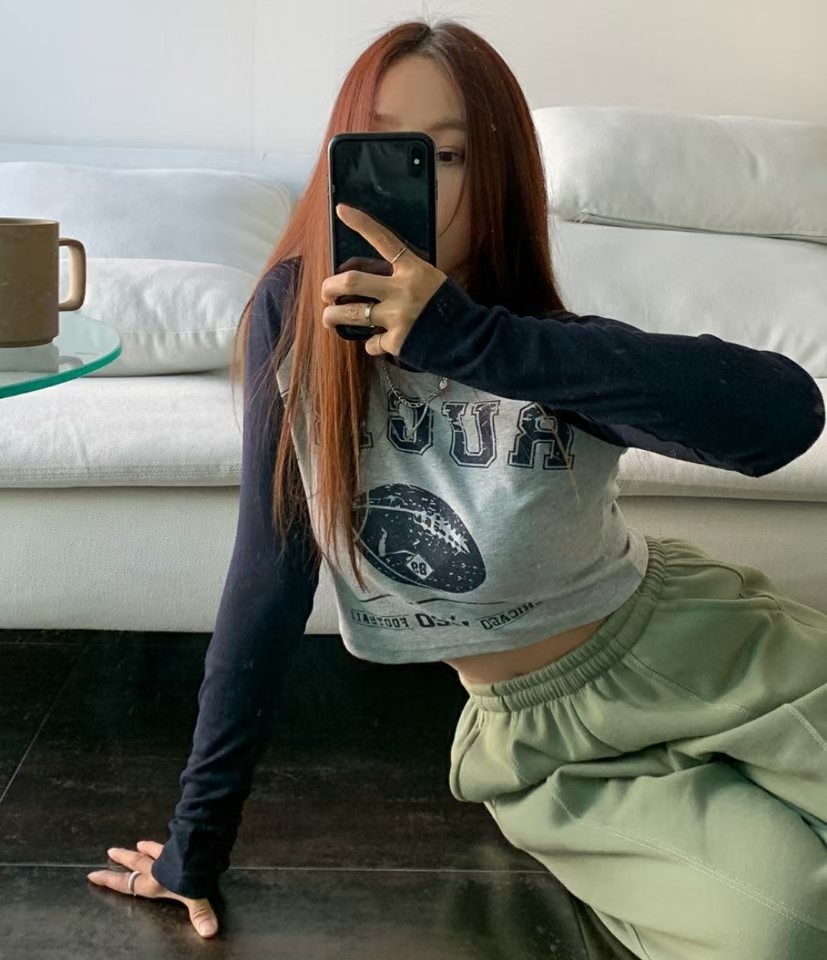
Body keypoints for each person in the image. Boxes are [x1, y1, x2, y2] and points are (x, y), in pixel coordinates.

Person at [86, 18, 827, 956]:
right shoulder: (291, 319)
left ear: (500, 171)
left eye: (448, 155)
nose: (419, 186)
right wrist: (197, 842)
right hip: (555, 746)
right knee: (786, 927)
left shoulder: (536, 342)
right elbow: (268, 578)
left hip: (703, 648)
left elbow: (782, 417)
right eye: (385, 151)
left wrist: (469, 339)